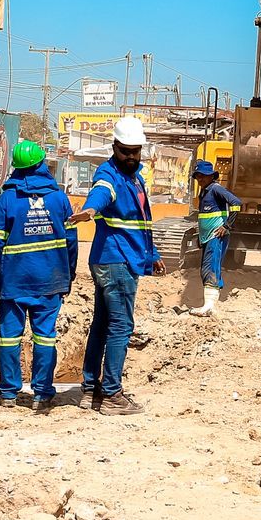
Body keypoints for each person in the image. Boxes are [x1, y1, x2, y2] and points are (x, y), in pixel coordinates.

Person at [69, 116, 164, 416]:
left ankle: (89, 389)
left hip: (122, 257)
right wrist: (89, 209)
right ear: (114, 148)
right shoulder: (109, 174)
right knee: (121, 325)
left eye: (136, 151)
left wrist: (153, 253)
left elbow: (140, 223)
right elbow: (101, 192)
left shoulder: (135, 178)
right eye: (125, 151)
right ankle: (111, 394)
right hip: (116, 261)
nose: (131, 156)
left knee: (102, 324)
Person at [0, 141, 79, 410]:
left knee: (10, 337)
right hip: (51, 280)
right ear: (41, 165)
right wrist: (68, 276)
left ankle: (9, 393)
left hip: (13, 282)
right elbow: (72, 241)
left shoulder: (7, 201)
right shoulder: (60, 200)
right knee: (45, 337)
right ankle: (42, 394)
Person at [186, 159, 240, 317]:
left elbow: (236, 203)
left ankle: (209, 306)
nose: (200, 179)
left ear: (211, 176)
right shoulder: (205, 191)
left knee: (211, 268)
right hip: (207, 237)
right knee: (206, 268)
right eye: (197, 176)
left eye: (203, 176)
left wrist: (227, 226)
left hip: (216, 236)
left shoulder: (216, 189)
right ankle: (208, 305)